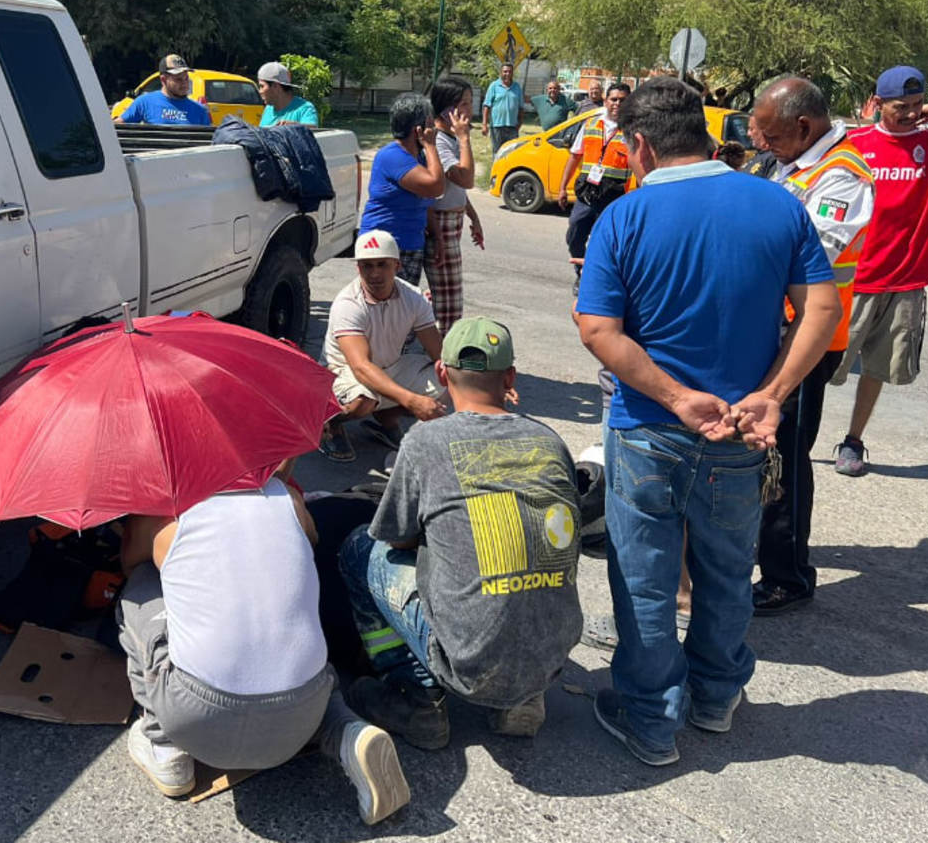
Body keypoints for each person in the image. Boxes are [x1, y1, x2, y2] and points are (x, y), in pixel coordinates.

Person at [575, 76, 840, 766]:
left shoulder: (623, 219)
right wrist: (774, 391)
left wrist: (673, 396)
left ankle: (651, 718)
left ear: (640, 145)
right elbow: (822, 308)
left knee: (646, 576)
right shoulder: (778, 204)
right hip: (744, 430)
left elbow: (598, 329)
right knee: (726, 569)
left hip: (648, 429)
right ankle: (717, 696)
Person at [339, 318, 583, 750]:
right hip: (551, 656)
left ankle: (415, 696)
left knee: (361, 549)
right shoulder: (549, 440)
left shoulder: (426, 442)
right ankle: (523, 697)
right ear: (510, 377)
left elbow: (397, 538)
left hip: (471, 664)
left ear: (441, 373)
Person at [116, 468, 410, 824]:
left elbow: (130, 563)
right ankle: (347, 730)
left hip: (196, 719)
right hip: (302, 715)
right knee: (284, 622)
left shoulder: (167, 511)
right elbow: (309, 544)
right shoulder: (288, 499)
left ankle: (164, 747)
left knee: (141, 585)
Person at [748, 78, 875, 616]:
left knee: (784, 456)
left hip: (805, 340)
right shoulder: (791, 162)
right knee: (759, 449)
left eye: (772, 135)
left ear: (804, 126)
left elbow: (811, 255)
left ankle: (788, 576)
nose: (763, 144)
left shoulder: (844, 176)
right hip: (769, 328)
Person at [832, 66, 928, 475]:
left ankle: (853, 442)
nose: (912, 113)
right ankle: (787, 437)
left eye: (918, 104)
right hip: (854, 279)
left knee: (878, 368)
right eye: (902, 106)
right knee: (820, 367)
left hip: (906, 281)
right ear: (878, 104)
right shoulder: (854, 144)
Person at [318, 230, 447, 462]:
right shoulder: (348, 303)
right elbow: (360, 367)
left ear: (397, 265)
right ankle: (328, 423)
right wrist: (411, 400)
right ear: (358, 268)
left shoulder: (414, 298)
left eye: (382, 265)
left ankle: (386, 418)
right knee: (364, 399)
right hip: (342, 372)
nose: (375, 273)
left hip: (388, 366)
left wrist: (489, 383)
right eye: (367, 266)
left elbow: (439, 354)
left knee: (446, 380)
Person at [359, 93, 446, 285]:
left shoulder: (419, 158)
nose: (433, 129)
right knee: (386, 302)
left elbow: (426, 203)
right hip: (383, 248)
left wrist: (437, 237)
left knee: (403, 303)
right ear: (419, 129)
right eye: (430, 124)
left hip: (409, 245)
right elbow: (435, 187)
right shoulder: (393, 156)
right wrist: (431, 146)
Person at [426, 76, 485, 335]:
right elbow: (466, 179)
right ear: (447, 109)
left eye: (470, 102)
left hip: (453, 221)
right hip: (440, 224)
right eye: (464, 103)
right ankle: (442, 351)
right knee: (449, 304)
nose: (470, 109)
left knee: (445, 293)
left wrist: (473, 216)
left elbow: (458, 188)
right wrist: (464, 139)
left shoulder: (447, 138)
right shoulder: (440, 141)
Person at [558, 81, 632, 288]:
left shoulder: (633, 131)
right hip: (588, 193)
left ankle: (592, 279)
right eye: (613, 99)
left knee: (604, 242)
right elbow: (575, 157)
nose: (617, 104)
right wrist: (563, 188)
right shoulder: (590, 124)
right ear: (606, 101)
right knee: (574, 233)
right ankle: (581, 271)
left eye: (623, 100)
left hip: (615, 197)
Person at [119, 54, 210, 126]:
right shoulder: (144, 102)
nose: (184, 83)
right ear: (163, 80)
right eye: (178, 79)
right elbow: (118, 126)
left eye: (186, 78)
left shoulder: (200, 111)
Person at [257, 61, 319, 126]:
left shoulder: (305, 108)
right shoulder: (268, 109)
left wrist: (295, 127)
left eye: (262, 86)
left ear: (276, 86)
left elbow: (312, 130)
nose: (260, 91)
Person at [481, 62, 524, 155]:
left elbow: (521, 107)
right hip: (497, 126)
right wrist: (484, 124)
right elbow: (486, 106)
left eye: (510, 72)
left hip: (512, 127)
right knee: (497, 152)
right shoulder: (494, 86)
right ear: (501, 72)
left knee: (512, 153)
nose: (507, 74)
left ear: (512, 73)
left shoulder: (517, 87)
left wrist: (520, 123)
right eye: (505, 71)